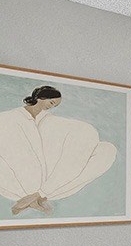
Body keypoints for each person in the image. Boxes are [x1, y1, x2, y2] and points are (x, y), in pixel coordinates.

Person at [0, 85, 117, 215]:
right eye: (51, 102)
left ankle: (38, 196)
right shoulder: (10, 118)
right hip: (18, 180)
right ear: (40, 98)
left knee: (106, 150)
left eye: (55, 105)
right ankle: (36, 196)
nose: (51, 107)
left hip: (46, 183)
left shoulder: (48, 120)